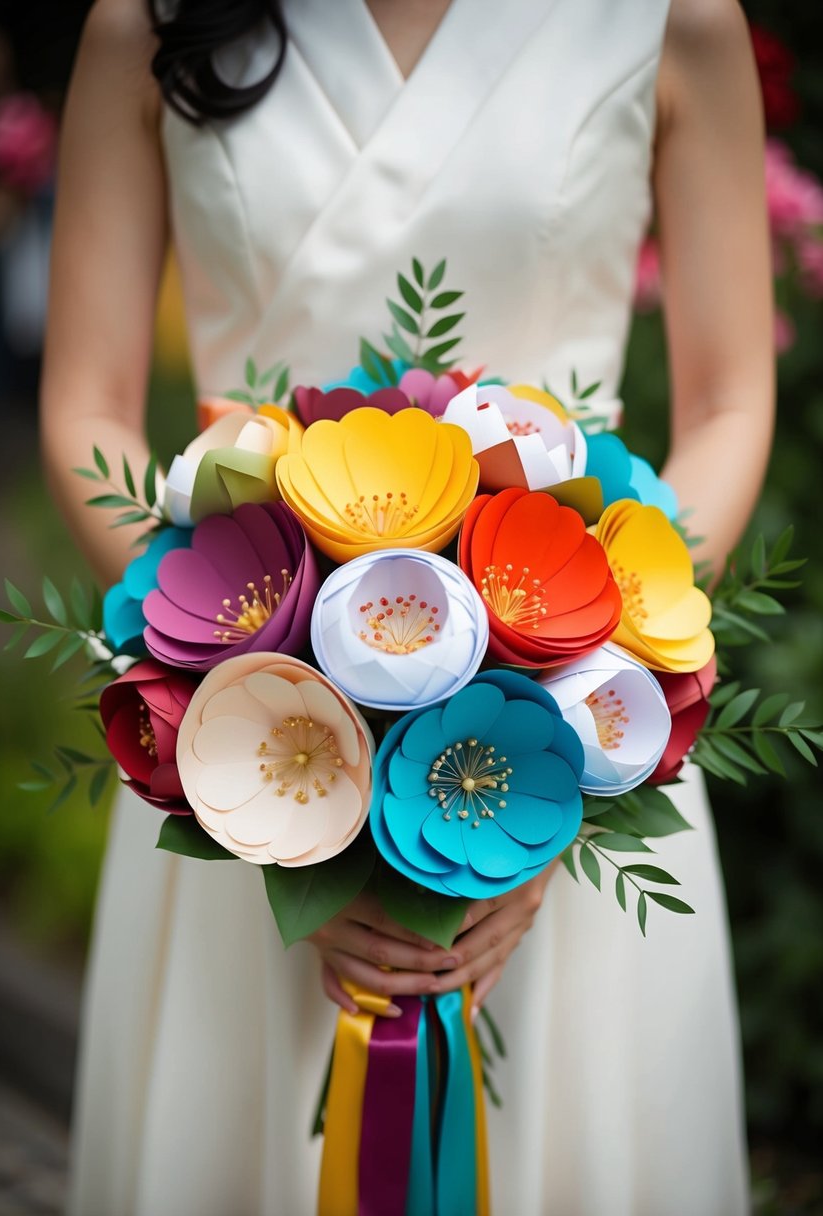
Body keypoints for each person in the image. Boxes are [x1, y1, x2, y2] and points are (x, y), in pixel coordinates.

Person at [42, 0, 773, 1212]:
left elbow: (730, 400)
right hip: (249, 732)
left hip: (581, 717)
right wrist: (218, 675)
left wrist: (589, 708)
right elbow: (87, 407)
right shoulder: (149, 21)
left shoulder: (672, 18)